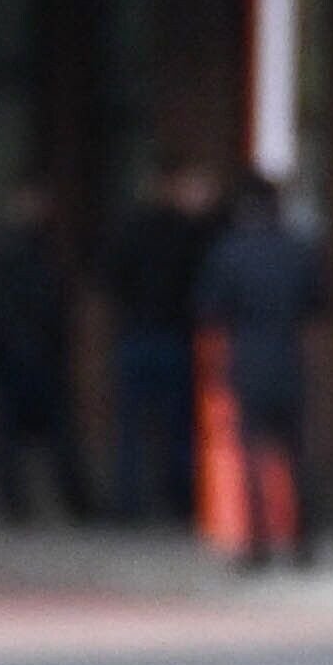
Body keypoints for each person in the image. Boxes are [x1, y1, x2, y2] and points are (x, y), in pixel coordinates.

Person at [189, 174, 322, 569]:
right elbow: (317, 304)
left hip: (248, 360)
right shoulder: (300, 251)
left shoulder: (231, 253)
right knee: (296, 454)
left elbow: (209, 309)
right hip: (290, 360)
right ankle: (302, 543)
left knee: (249, 455)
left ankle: (257, 544)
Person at [0, 182, 89, 524]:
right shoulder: (9, 251)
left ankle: (55, 502)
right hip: (14, 355)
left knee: (41, 435)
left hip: (28, 353)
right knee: (20, 435)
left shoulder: (30, 247)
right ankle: (36, 503)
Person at [98, 156, 214, 532]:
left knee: (132, 427)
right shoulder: (193, 232)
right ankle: (181, 500)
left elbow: (112, 279)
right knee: (178, 425)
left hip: (136, 335)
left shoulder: (130, 228)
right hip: (173, 338)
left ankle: (129, 503)